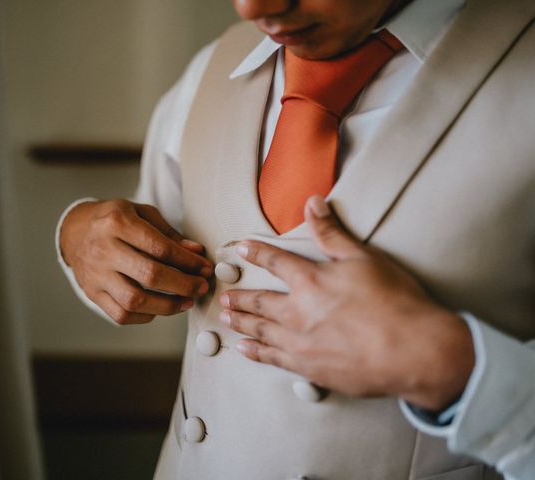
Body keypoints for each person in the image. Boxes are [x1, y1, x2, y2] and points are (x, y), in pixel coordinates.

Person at [57, 0, 535, 478]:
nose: (252, 7)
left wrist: (447, 366)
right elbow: (142, 237)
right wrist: (77, 236)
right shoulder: (215, 65)